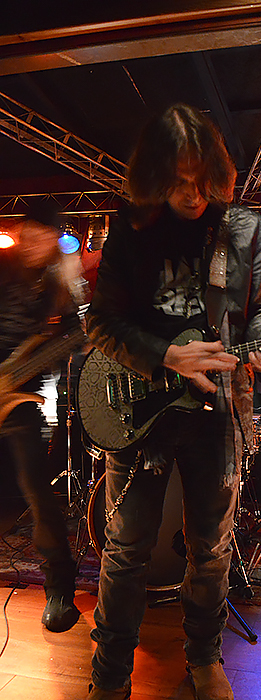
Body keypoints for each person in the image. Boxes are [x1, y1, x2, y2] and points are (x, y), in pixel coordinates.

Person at [83, 103, 261, 700]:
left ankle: (203, 658)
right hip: (139, 410)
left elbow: (259, 310)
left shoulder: (244, 229)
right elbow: (100, 323)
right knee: (126, 549)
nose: (193, 194)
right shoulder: (132, 228)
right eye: (179, 181)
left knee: (211, 547)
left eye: (203, 180)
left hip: (219, 412)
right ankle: (110, 676)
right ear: (154, 177)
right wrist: (166, 355)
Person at [0, 205, 84, 632]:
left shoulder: (60, 283)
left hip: (24, 398)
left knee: (37, 491)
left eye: (44, 236)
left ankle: (60, 590)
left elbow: (75, 335)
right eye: (28, 235)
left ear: (55, 239)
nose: (34, 244)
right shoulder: (3, 269)